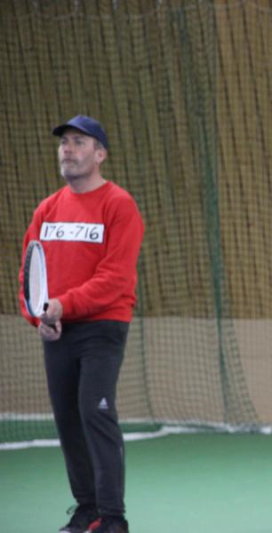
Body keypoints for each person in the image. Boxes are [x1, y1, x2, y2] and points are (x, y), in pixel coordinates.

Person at [19, 115, 144, 533]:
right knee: (68, 421)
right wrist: (38, 317)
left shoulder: (119, 206)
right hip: (57, 331)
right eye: (63, 143)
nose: (67, 150)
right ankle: (87, 509)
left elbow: (115, 278)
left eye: (78, 142)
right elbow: (28, 274)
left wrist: (63, 305)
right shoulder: (47, 209)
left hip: (103, 327)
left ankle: (113, 517)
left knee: (95, 412)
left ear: (100, 154)